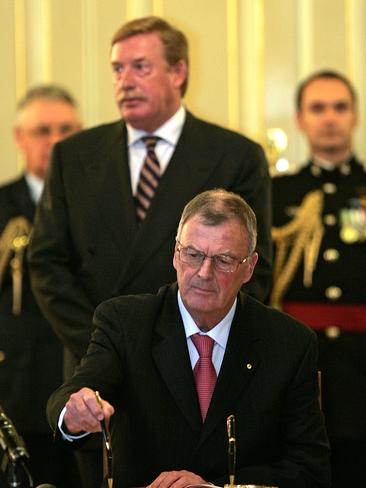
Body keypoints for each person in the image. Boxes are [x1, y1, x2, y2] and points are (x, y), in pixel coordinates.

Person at [28, 17, 272, 487]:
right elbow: (47, 264)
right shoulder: (74, 155)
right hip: (99, 376)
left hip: (198, 375)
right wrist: (109, 344)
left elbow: (252, 273)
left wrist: (182, 349)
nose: (124, 81)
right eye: (117, 69)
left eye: (140, 66)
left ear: (178, 71)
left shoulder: (235, 155)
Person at [47, 189, 330, 488]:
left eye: (223, 260)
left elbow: (310, 469)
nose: (204, 273)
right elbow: (77, 391)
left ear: (249, 267)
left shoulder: (289, 342)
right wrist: (74, 415)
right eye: (193, 255)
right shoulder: (125, 323)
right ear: (175, 254)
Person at [271, 70, 366, 488]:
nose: (330, 118)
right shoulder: (276, 194)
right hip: (296, 365)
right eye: (318, 108)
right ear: (300, 119)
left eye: (340, 107)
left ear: (355, 116)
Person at [0, 85, 81, 487]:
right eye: (42, 130)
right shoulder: (1, 207)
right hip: (17, 386)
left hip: (82, 383)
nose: (55, 141)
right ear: (19, 137)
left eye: (66, 129)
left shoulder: (95, 207)